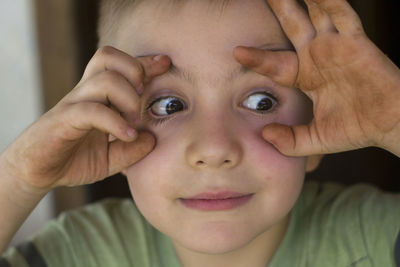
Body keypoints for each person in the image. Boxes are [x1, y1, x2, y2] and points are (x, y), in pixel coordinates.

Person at [1, 0, 399, 266]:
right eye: (168, 105)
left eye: (261, 101)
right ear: (109, 124)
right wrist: (18, 177)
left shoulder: (372, 237)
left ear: (317, 124)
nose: (213, 148)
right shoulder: (83, 252)